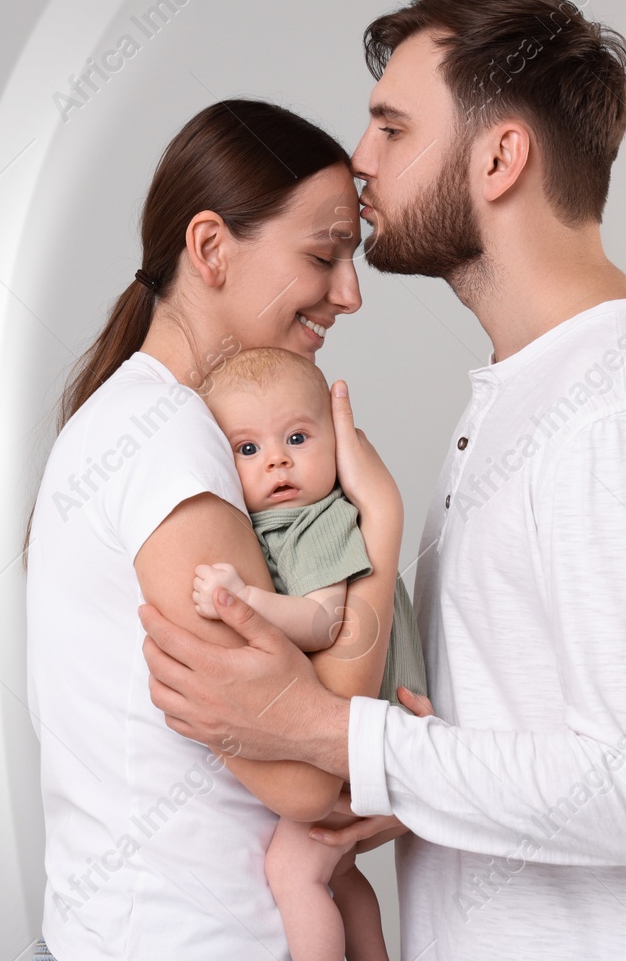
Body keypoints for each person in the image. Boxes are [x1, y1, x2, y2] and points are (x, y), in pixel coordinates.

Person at [140, 0, 626, 959]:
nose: (359, 158)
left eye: (392, 127)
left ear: (498, 157)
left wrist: (324, 730)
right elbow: (542, 740)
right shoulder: (532, 388)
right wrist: (396, 784)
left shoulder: (618, 411)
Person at [22, 97, 432, 961]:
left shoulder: (140, 424)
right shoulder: (169, 440)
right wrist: (381, 525)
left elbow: (302, 740)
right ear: (209, 247)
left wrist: (383, 770)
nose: (350, 294)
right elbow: (310, 774)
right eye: (325, 255)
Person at [191, 345, 428, 961]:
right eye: (248, 449)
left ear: (338, 441)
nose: (276, 460)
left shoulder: (318, 522)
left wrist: (243, 599)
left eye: (297, 437)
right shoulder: (269, 525)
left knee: (294, 874)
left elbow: (323, 623)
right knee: (339, 873)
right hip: (370, 734)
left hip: (366, 733)